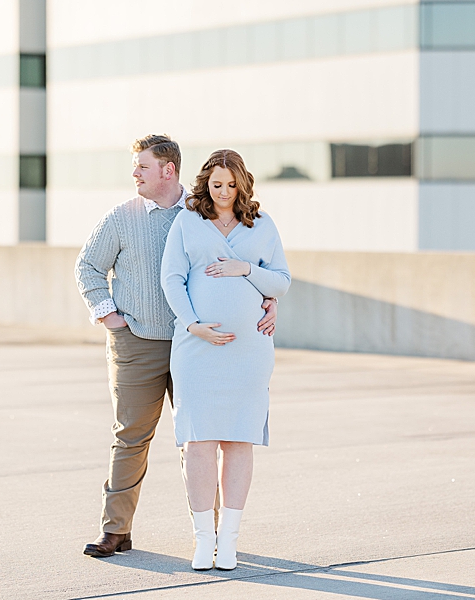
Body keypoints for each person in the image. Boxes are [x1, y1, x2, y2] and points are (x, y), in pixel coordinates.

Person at [75, 135, 278, 558]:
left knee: (200, 438)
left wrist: (267, 298)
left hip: (203, 348)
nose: (134, 174)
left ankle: (214, 534)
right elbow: (87, 266)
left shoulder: (200, 210)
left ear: (168, 170)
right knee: (131, 437)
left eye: (142, 167)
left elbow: (253, 262)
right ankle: (116, 530)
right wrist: (111, 317)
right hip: (141, 343)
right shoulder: (121, 218)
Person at [160, 149, 291, 571]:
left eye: (231, 185)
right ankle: (203, 541)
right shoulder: (188, 222)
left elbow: (282, 281)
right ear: (206, 184)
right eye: (216, 185)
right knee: (198, 442)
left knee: (238, 440)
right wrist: (192, 323)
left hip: (248, 351)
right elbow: (171, 277)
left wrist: (245, 270)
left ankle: (229, 541)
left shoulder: (262, 225)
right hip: (197, 349)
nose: (223, 192)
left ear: (242, 185)